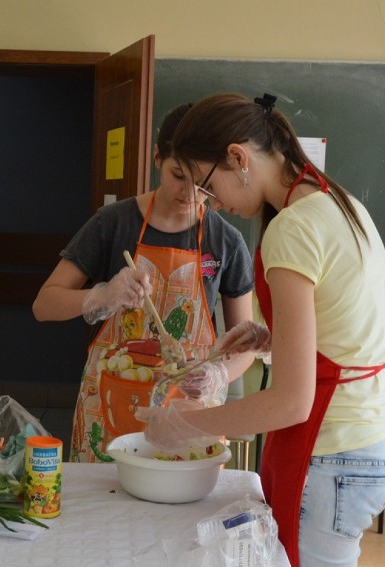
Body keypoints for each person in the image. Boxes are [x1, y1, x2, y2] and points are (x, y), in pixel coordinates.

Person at [136, 93, 385, 567]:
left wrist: (186, 425)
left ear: (238, 158)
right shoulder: (345, 206)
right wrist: (274, 337)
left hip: (327, 455)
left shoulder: (292, 229)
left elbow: (291, 402)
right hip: (370, 449)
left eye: (209, 187)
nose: (211, 204)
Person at [32, 104, 256, 463]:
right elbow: (43, 306)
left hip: (188, 411)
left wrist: (218, 374)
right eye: (178, 175)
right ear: (156, 158)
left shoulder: (225, 241)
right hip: (107, 409)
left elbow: (244, 344)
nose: (190, 194)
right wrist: (99, 295)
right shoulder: (112, 223)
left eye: (203, 186)